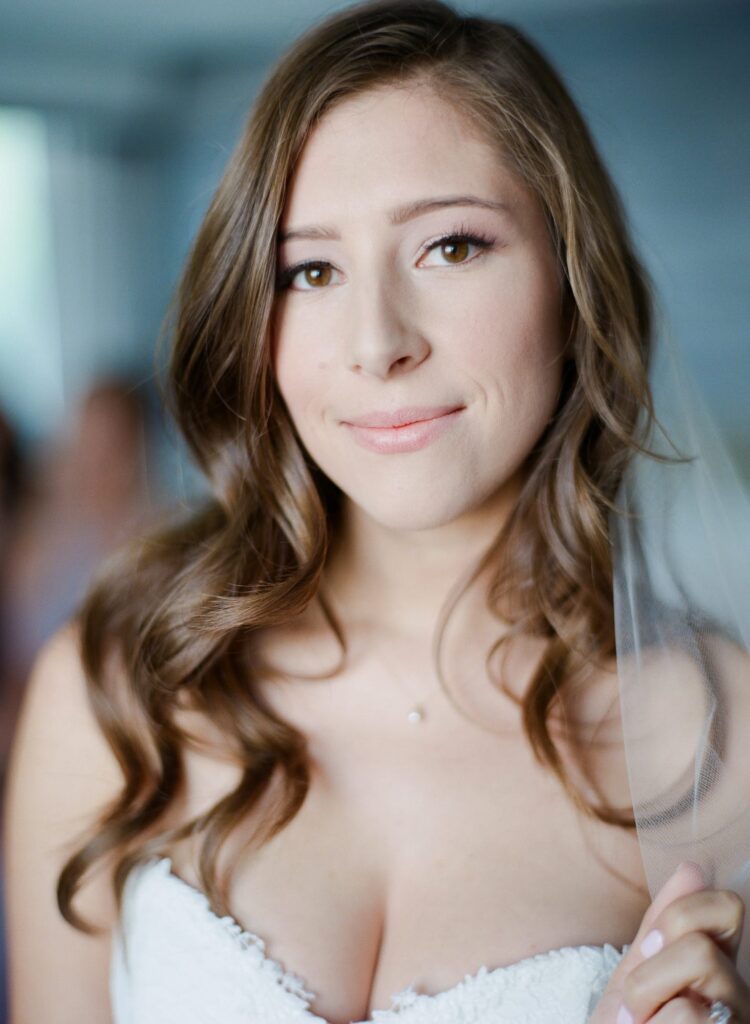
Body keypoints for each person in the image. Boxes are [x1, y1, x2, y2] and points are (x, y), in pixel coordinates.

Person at [3, 2, 749, 1022]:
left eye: (450, 247)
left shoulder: (722, 736)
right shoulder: (118, 686)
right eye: (309, 270)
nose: (376, 342)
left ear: (573, 283)